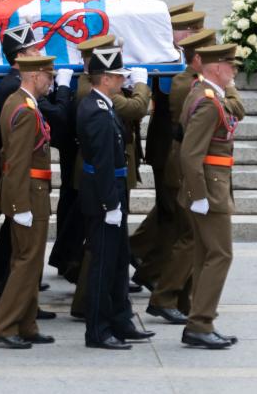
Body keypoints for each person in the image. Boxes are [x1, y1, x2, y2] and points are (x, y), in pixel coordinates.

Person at [76, 44, 155, 350]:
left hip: (111, 193)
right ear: (105, 78)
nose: (124, 81)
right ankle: (97, 330)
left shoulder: (103, 105)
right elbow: (103, 162)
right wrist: (111, 204)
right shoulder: (95, 110)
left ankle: (121, 320)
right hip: (103, 197)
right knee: (103, 265)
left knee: (119, 261)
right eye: (119, 76)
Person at [132, 7, 207, 286]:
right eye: (191, 31)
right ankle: (153, 270)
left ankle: (140, 254)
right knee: (172, 214)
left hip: (169, 147)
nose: (194, 35)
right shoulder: (170, 65)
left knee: (170, 212)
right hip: (168, 148)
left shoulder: (173, 60)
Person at [0, 54, 57, 348]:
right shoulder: (26, 110)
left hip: (28, 192)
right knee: (27, 263)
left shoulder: (17, 102)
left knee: (28, 261)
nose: (50, 82)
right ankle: (3, 325)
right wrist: (20, 207)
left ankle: (26, 323)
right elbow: (15, 162)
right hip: (28, 193)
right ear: (33, 76)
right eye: (48, 77)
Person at [146, 26, 216, 324]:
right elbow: (234, 106)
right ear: (198, 59)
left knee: (189, 233)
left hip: (196, 165)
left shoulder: (200, 83)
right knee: (190, 235)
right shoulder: (185, 84)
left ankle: (184, 299)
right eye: (213, 58)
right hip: (186, 166)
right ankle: (164, 296)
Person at [179, 43, 243, 350]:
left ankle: (199, 321)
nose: (233, 73)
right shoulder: (207, 102)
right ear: (216, 68)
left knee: (206, 255)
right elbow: (190, 155)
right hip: (209, 190)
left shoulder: (205, 94)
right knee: (220, 254)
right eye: (231, 67)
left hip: (209, 187)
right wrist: (199, 195)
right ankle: (201, 322)